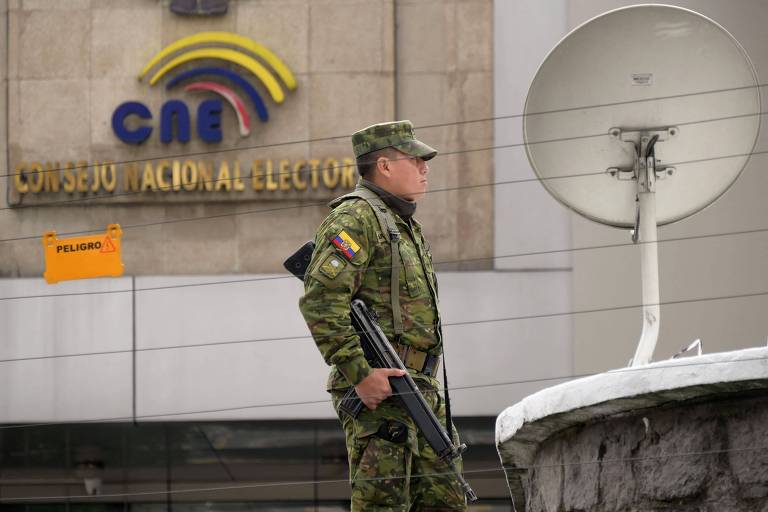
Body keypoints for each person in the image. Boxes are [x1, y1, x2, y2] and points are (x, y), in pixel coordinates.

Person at [299, 120, 468, 511]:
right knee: (383, 505)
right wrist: (360, 373)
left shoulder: (402, 223)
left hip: (419, 387)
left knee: (446, 502)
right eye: (416, 159)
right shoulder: (357, 218)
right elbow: (321, 300)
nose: (425, 168)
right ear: (385, 166)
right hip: (383, 391)